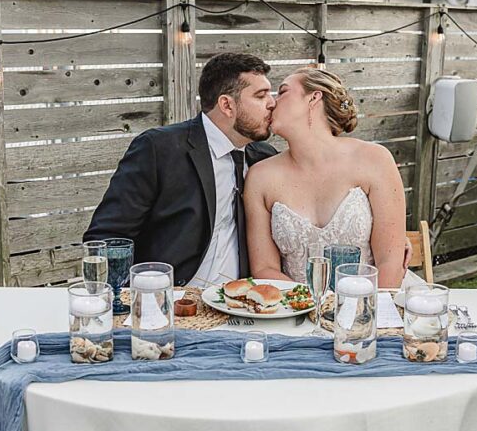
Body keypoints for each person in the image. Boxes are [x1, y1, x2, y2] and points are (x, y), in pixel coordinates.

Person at [83, 53, 277, 287]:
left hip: (240, 303)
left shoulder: (265, 159)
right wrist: (138, 299)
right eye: (260, 95)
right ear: (227, 105)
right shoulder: (159, 149)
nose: (272, 103)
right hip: (171, 301)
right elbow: (107, 238)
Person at [244, 67, 408, 289]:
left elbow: (390, 262)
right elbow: (264, 268)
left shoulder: (375, 160)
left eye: (282, 92)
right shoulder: (260, 176)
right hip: (292, 311)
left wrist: (363, 314)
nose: (272, 103)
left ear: (313, 98)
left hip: (367, 308)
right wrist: (311, 308)